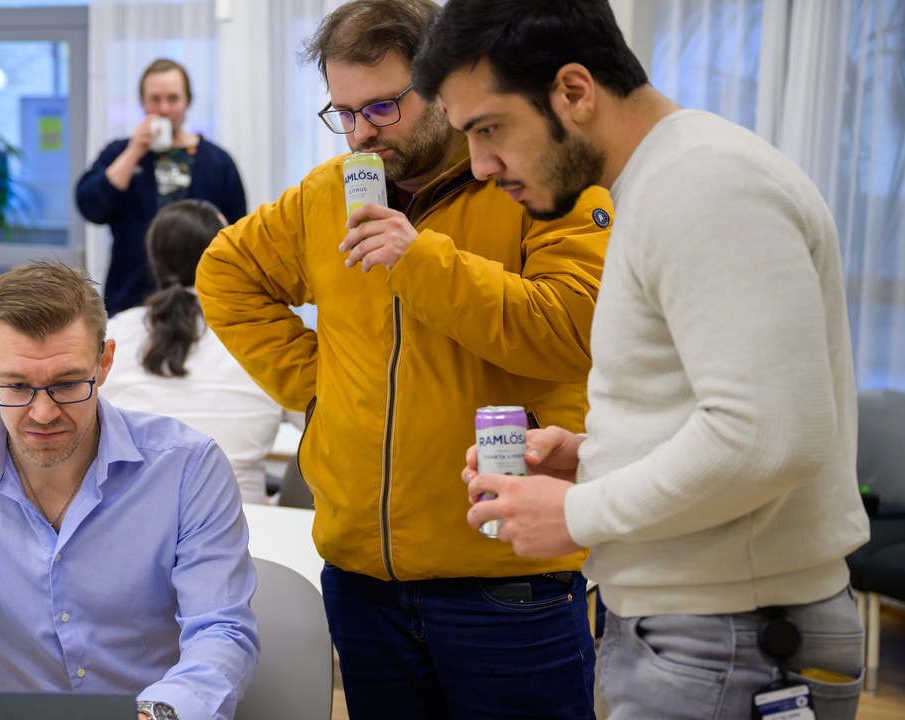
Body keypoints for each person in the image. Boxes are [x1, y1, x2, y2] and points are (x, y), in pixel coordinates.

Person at [413, 2, 871, 718]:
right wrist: (597, 457)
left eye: (490, 129)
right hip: (707, 635)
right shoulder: (665, 183)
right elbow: (723, 412)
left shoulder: (703, 186)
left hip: (729, 640)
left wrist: (582, 510)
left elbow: (773, 437)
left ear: (573, 90)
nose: (480, 165)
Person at [195, 1, 612, 717]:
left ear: (444, 86)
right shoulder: (329, 194)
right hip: (364, 582)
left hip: (508, 577)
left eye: (383, 107)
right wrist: (326, 388)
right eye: (344, 111)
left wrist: (420, 262)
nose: (361, 133)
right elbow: (225, 278)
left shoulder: (539, 177)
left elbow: (575, 327)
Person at [0, 261, 259, 720]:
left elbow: (221, 631)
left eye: (67, 384)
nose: (41, 413)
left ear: (105, 361)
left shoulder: (189, 470)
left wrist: (161, 713)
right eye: (16, 386)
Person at [100, 200, 283, 505]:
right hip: (246, 524)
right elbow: (318, 420)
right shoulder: (261, 330)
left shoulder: (114, 333)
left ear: (154, 259)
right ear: (227, 253)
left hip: (131, 519)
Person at [75, 59, 246, 315]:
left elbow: (237, 231)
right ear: (143, 103)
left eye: (173, 99)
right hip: (131, 297)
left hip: (202, 299)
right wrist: (134, 151)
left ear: (187, 101)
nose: (164, 109)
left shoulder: (217, 161)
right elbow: (90, 207)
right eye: (155, 99)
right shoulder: (120, 152)